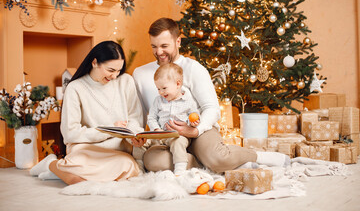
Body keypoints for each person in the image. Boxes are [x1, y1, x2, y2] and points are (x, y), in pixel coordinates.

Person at [133, 18, 290, 173]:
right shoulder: (140, 74)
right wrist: (137, 134)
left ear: (178, 42)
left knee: (218, 158)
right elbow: (140, 116)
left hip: (199, 132)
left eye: (164, 46)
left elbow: (212, 109)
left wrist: (194, 131)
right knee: (153, 162)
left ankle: (253, 156)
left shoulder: (194, 68)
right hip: (168, 137)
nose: (159, 52)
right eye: (154, 46)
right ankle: (206, 163)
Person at [30, 41, 146, 185]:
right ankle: (53, 165)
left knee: (128, 166)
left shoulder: (126, 81)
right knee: (79, 166)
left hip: (118, 151)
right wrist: (109, 130)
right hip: (85, 149)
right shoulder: (75, 88)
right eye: (111, 70)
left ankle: (60, 169)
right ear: (95, 62)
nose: (115, 76)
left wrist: (134, 137)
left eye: (118, 71)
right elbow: (70, 133)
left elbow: (134, 118)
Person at [133, 63, 200, 175]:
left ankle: (180, 169)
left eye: (164, 88)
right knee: (140, 139)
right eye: (158, 89)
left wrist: (193, 123)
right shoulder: (158, 101)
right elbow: (152, 118)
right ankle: (139, 166)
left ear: (178, 84)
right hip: (160, 135)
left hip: (178, 136)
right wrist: (156, 129)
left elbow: (194, 115)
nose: (161, 92)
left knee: (178, 142)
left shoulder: (188, 101)